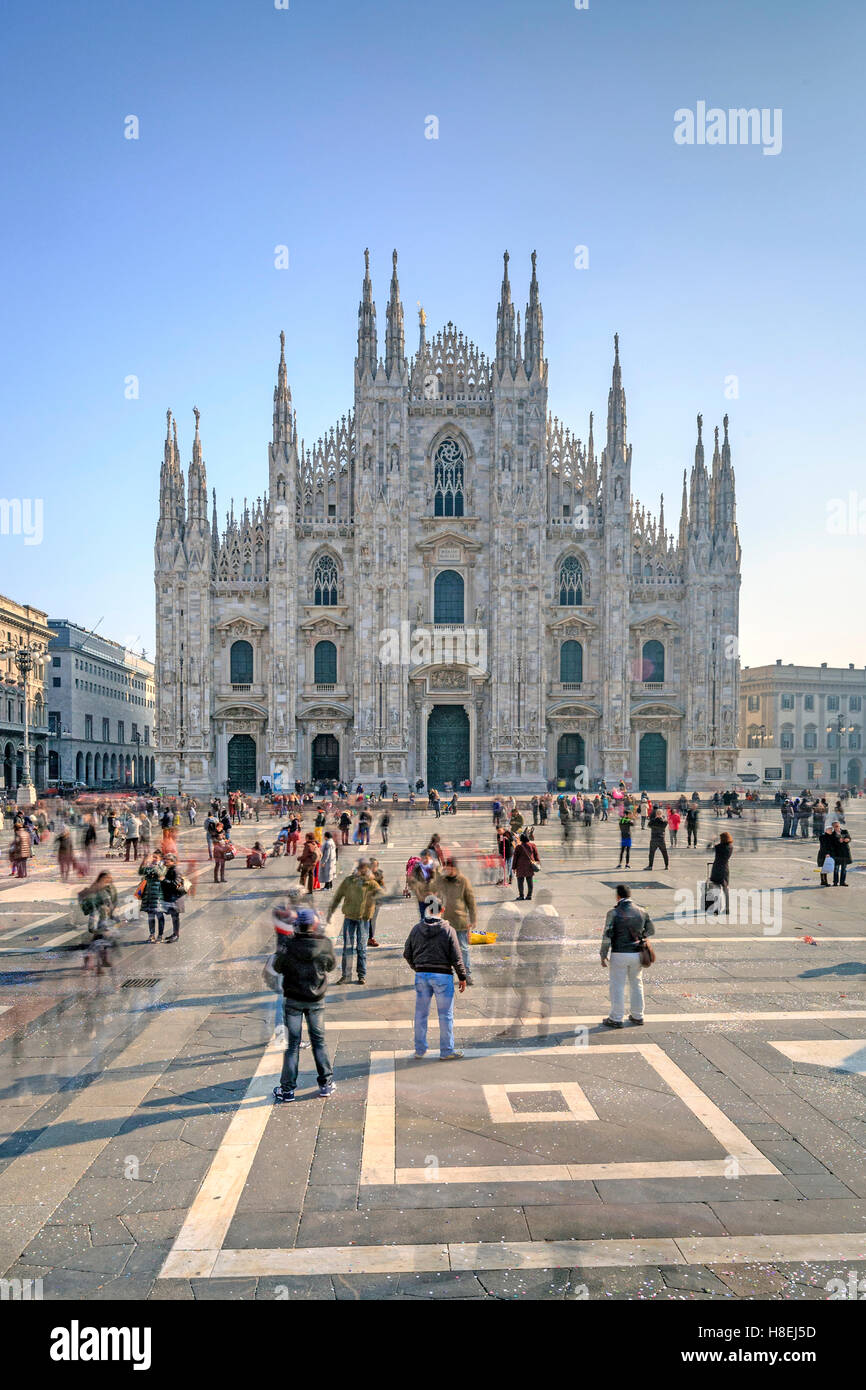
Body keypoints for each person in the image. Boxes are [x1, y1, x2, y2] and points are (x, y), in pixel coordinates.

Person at [272, 907, 337, 1102]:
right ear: (314, 924)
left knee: (292, 1046)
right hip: (316, 999)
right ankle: (325, 1084)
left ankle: (288, 1090)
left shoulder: (287, 944)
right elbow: (331, 965)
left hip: (293, 999)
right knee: (319, 1042)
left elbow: (277, 966)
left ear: (297, 925)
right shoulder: (323, 943)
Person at [403, 893, 467, 1060]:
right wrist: (462, 976)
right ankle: (446, 1051)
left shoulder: (416, 929)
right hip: (443, 976)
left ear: (427, 910)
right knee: (445, 1015)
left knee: (420, 1013)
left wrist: (416, 967)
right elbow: (456, 956)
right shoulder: (448, 930)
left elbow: (407, 953)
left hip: (422, 975)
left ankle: (420, 1049)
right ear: (442, 910)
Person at [600, 884, 655, 1028]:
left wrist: (603, 954)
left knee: (617, 985)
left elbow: (607, 936)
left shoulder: (613, 913)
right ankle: (638, 1016)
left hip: (619, 953)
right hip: (637, 953)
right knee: (636, 984)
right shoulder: (642, 911)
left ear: (618, 896)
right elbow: (651, 930)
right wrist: (640, 936)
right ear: (629, 895)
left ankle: (616, 1018)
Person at [328, 859, 383, 985]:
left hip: (363, 920)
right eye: (361, 868)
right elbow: (338, 895)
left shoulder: (371, 883)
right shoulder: (349, 881)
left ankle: (361, 975)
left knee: (361, 948)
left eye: (364, 868)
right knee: (347, 948)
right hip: (349, 918)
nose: (362, 870)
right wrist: (331, 911)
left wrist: (371, 907)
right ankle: (346, 975)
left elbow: (381, 896)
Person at [432, 857, 478, 985]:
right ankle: (446, 974)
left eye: (449, 867)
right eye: (446, 867)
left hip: (460, 921)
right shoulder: (442, 880)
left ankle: (466, 974)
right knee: (444, 950)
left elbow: (471, 901)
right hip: (444, 921)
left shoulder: (463, 881)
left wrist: (473, 919)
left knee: (463, 949)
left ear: (455, 868)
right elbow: (434, 894)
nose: (447, 869)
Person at [139, 852, 166, 942]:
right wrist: (144, 861)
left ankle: (160, 935)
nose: (153, 859)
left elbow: (160, 874)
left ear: (160, 858)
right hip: (149, 895)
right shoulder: (149, 866)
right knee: (150, 916)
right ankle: (152, 935)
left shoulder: (163, 866)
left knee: (159, 915)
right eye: (152, 857)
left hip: (158, 895)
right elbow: (140, 872)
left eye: (155, 857)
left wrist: (154, 866)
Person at [707, 830, 733, 915]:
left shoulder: (719, 847)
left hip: (717, 869)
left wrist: (712, 841)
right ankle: (727, 908)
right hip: (725, 869)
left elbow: (709, 849)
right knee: (726, 890)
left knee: (716, 890)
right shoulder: (730, 847)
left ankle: (716, 909)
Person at [161, 856, 186, 941]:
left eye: (167, 862)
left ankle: (176, 935)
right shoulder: (170, 869)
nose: (165, 863)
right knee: (173, 916)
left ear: (173, 862)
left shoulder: (176, 870)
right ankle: (174, 933)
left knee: (175, 916)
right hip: (172, 896)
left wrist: (164, 879)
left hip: (176, 897)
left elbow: (176, 883)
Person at [512, 832, 540, 901]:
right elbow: (536, 855)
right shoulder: (532, 845)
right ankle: (529, 895)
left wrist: (514, 867)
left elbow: (515, 858)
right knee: (530, 881)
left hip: (520, 866)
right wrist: (537, 861)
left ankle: (521, 896)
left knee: (520, 881)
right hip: (529, 866)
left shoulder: (518, 847)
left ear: (521, 839)